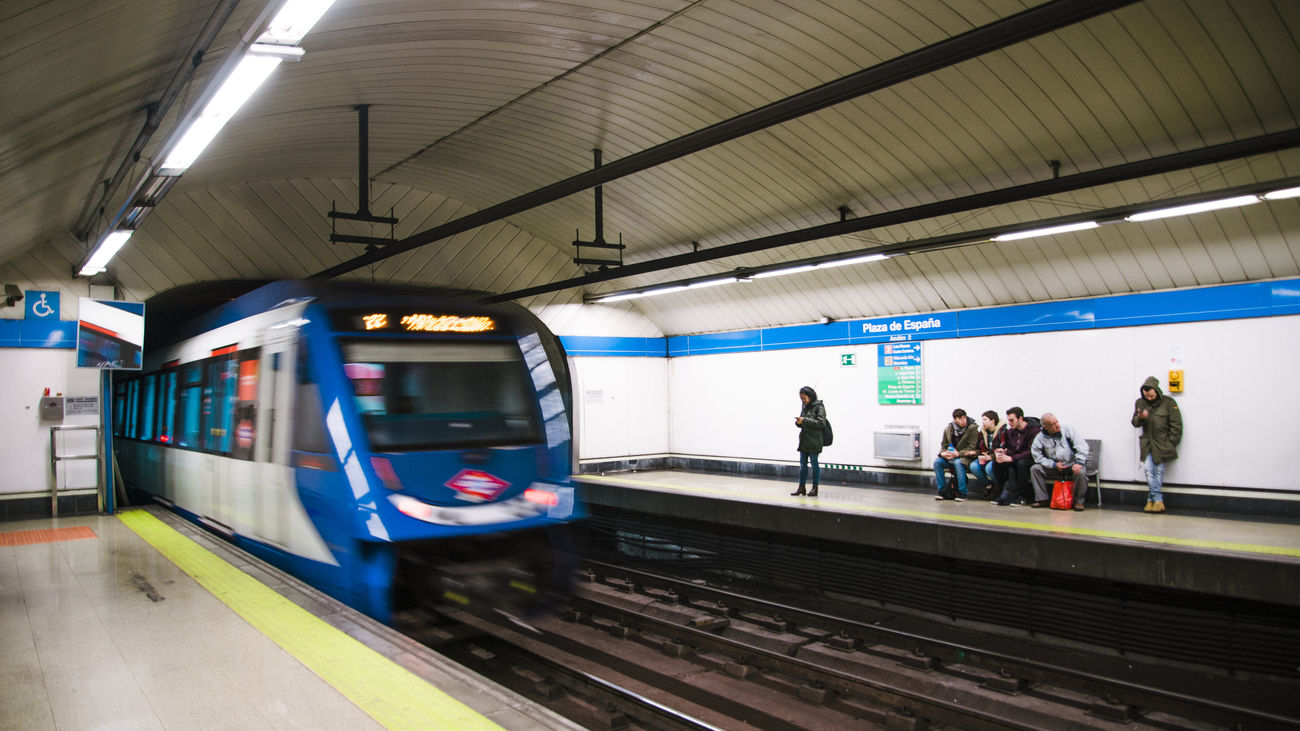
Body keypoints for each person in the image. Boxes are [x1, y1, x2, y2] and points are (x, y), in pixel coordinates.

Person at [1132, 376, 1182, 513]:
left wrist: (1171, 443)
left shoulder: (1168, 403)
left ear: (1157, 391)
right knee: (1149, 470)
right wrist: (1140, 418)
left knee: (1159, 472)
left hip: (1163, 443)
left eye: (1151, 395)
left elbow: (1176, 425)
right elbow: (1135, 423)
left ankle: (1151, 501)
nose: (1149, 398)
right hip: (1147, 443)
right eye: (1146, 396)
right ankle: (1158, 499)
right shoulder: (1140, 403)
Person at [1029, 412, 1089, 510]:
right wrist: (1053, 464)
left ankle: (1079, 502)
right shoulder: (1040, 438)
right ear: (1045, 427)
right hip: (1055, 466)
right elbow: (1037, 456)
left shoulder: (1068, 430)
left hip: (1072, 464)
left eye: (1056, 422)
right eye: (1052, 424)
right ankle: (1042, 499)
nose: (1056, 425)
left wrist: (1079, 462)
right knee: (1035, 469)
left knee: (1081, 472)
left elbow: (1082, 447)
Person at [992, 406, 1040, 506]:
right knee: (997, 462)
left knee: (1021, 464)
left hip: (1030, 459)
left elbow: (1031, 451)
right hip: (1015, 458)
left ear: (1020, 418)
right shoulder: (1011, 431)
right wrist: (1003, 452)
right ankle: (1002, 493)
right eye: (1008, 420)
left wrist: (1011, 458)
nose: (1010, 423)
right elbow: (1010, 448)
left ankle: (1022, 496)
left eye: (1012, 420)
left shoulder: (1034, 430)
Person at [933, 408, 980, 501]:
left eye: (964, 418)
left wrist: (958, 454)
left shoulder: (972, 429)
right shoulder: (948, 429)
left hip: (965, 457)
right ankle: (942, 490)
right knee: (937, 462)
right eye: (960, 419)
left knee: (958, 463)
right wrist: (943, 453)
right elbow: (944, 445)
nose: (963, 421)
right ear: (955, 419)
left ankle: (962, 492)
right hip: (951, 456)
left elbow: (972, 447)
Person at [791, 386, 826, 497]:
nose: (803, 401)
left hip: (815, 440)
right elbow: (804, 421)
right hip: (805, 440)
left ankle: (815, 488)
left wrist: (804, 420)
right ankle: (801, 487)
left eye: (804, 398)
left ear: (810, 396)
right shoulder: (805, 407)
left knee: (814, 464)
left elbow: (821, 423)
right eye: (801, 399)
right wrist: (799, 423)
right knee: (802, 465)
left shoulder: (819, 407)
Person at [969, 410, 1003, 499]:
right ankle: (988, 486)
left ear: (993, 420)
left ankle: (999, 487)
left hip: (997, 457)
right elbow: (979, 446)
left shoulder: (1002, 431)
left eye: (985, 420)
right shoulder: (983, 432)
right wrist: (978, 453)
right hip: (986, 457)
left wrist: (991, 456)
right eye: (982, 420)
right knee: (973, 466)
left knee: (989, 468)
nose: (983, 422)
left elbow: (1003, 448)